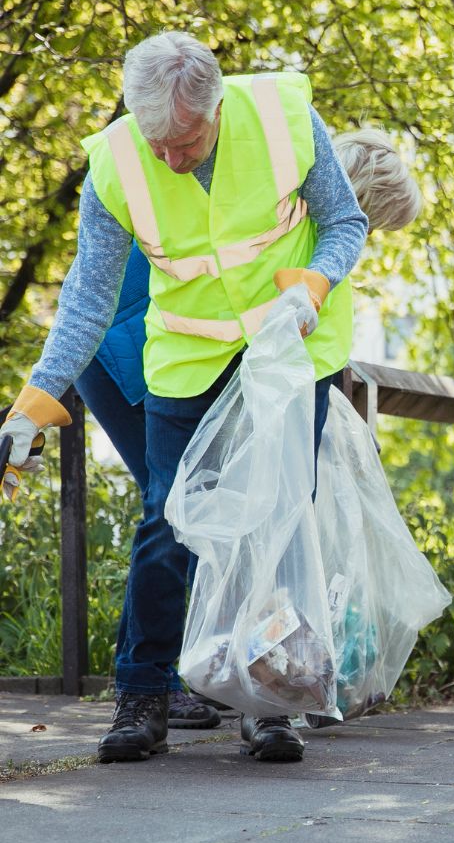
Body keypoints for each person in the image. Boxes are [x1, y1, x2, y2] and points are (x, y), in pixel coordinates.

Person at [0, 31, 368, 764]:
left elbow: (345, 223)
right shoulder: (114, 161)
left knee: (279, 522)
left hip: (290, 347)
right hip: (187, 354)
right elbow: (89, 295)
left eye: (186, 140)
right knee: (169, 517)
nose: (169, 156)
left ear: (217, 106)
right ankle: (141, 696)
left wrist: (314, 289)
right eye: (155, 141)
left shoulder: (286, 115)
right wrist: (33, 401)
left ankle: (268, 703)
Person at [72, 127, 421, 732]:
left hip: (167, 361)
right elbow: (130, 314)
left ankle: (243, 677)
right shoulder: (268, 217)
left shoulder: (291, 219)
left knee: (216, 519)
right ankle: (167, 681)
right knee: (179, 513)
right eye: (375, 224)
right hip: (130, 361)